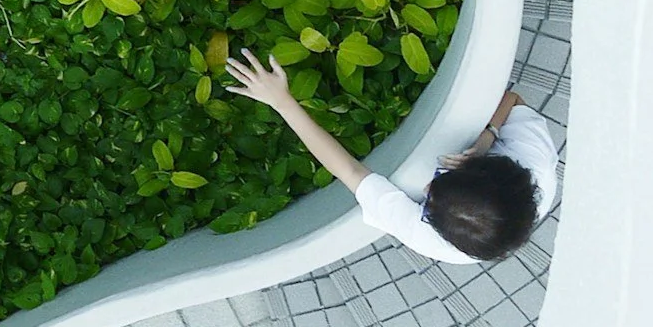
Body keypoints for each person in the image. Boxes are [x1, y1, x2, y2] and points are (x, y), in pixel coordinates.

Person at [224, 49, 556, 265]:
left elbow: (349, 171)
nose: (427, 188)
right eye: (439, 184)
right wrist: (488, 137)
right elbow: (512, 98)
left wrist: (282, 102)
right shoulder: (534, 162)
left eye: (428, 204)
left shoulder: (427, 237)